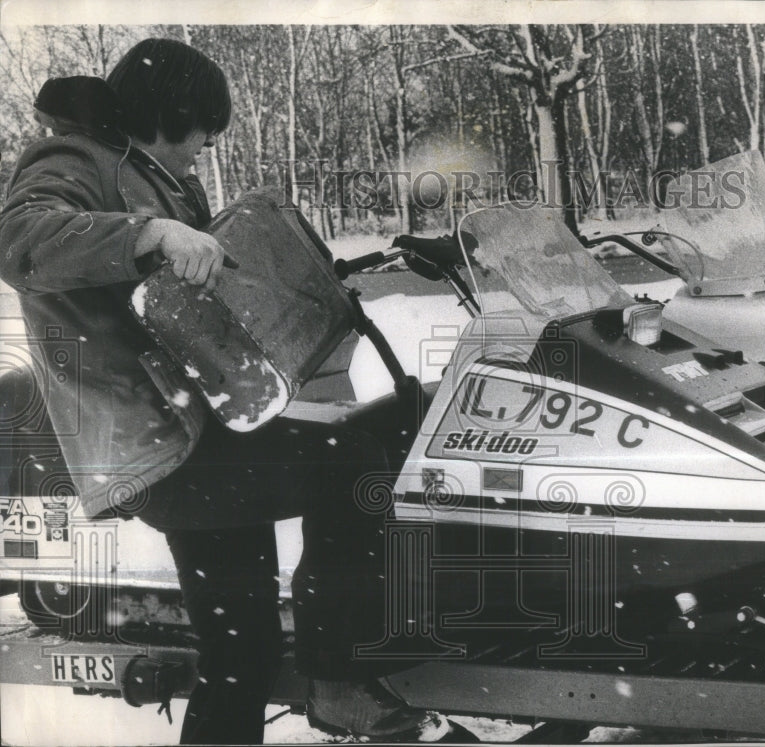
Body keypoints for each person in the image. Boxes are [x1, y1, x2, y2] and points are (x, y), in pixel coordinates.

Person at [0, 38, 473, 745]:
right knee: (352, 465)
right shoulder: (74, 158)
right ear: (171, 109)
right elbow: (19, 239)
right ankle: (338, 676)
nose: (208, 146)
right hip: (154, 446)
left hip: (204, 428)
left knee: (240, 649)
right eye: (204, 128)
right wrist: (150, 233)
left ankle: (330, 671)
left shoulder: (154, 171)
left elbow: (201, 283)